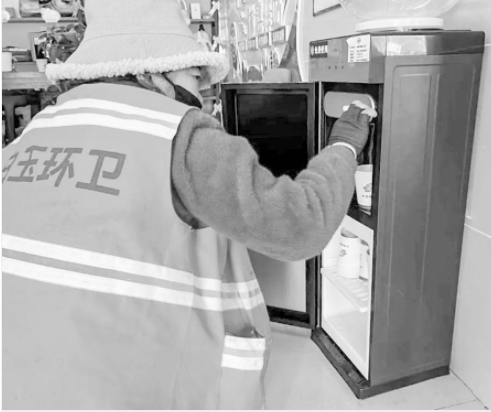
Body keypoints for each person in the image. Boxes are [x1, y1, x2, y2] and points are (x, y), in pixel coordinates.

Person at [1, 0, 377, 410]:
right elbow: (302, 224)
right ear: (151, 73)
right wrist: (343, 145)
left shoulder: (30, 136)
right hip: (138, 388)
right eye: (196, 76)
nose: (201, 94)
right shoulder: (182, 136)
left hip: (25, 384)